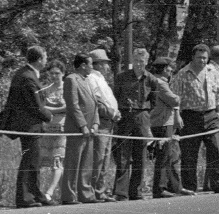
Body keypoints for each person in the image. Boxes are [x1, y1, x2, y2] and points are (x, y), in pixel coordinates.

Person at [172, 44, 219, 194]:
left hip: (211, 115)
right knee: (190, 154)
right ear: (193, 57)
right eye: (199, 58)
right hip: (190, 116)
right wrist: (177, 115)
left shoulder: (213, 72)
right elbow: (176, 98)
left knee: (216, 150)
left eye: (204, 58)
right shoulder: (183, 74)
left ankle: (218, 184)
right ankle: (190, 187)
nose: (202, 61)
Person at [3, 46, 54, 209]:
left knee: (34, 160)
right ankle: (25, 197)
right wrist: (48, 116)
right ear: (39, 59)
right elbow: (35, 105)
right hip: (29, 126)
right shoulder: (28, 77)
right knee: (30, 161)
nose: (46, 60)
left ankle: (34, 193)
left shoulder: (25, 74)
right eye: (45, 57)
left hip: (30, 125)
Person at [147, 57, 192, 197]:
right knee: (164, 156)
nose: (172, 70)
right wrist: (180, 95)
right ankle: (159, 188)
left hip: (166, 121)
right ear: (164, 69)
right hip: (161, 122)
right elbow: (174, 100)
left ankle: (175, 186)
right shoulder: (160, 83)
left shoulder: (162, 82)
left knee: (171, 155)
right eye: (169, 68)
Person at [113, 48, 154, 200]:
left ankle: (135, 190)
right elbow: (115, 97)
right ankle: (120, 192)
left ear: (146, 62)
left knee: (140, 156)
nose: (138, 64)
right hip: (125, 116)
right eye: (136, 61)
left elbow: (154, 101)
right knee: (123, 155)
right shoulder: (122, 77)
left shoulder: (151, 79)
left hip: (142, 116)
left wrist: (146, 117)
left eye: (141, 61)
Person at [60, 53, 99, 204]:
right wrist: (82, 125)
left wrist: (95, 123)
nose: (92, 67)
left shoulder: (87, 80)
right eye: (90, 64)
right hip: (77, 129)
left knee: (86, 163)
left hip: (90, 130)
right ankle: (69, 195)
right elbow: (73, 105)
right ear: (82, 65)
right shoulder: (71, 79)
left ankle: (86, 194)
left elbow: (94, 104)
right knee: (72, 163)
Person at [86, 49, 120, 201]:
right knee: (99, 158)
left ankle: (100, 190)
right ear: (97, 65)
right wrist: (112, 113)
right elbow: (97, 102)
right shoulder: (92, 79)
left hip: (109, 122)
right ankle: (95, 190)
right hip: (102, 121)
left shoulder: (100, 79)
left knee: (104, 158)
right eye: (105, 63)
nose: (108, 67)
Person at [38, 60, 68, 203]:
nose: (55, 76)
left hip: (61, 128)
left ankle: (49, 192)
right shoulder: (45, 89)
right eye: (52, 74)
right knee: (47, 162)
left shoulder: (66, 88)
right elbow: (41, 107)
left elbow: (68, 108)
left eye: (57, 73)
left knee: (58, 160)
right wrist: (57, 110)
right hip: (48, 128)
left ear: (63, 73)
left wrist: (52, 110)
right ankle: (60, 194)